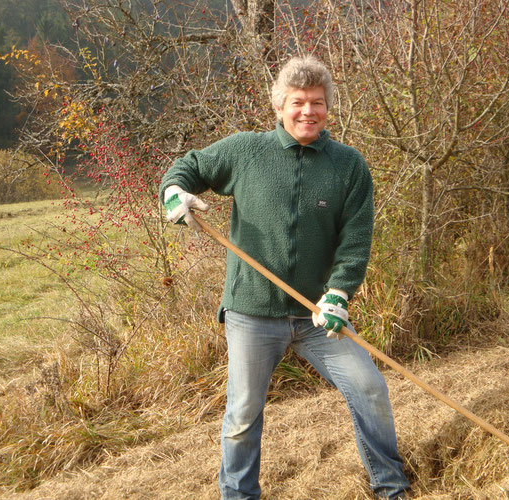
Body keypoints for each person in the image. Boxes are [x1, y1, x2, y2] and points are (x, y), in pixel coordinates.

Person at [160, 55, 410, 500]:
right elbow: (187, 168)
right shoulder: (244, 152)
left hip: (319, 316)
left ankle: (390, 487)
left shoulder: (348, 166)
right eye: (298, 102)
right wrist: (175, 192)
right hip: (251, 313)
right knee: (242, 414)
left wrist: (339, 293)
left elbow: (356, 240)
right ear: (279, 106)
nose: (307, 112)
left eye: (317, 102)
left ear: (328, 107)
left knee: (370, 388)